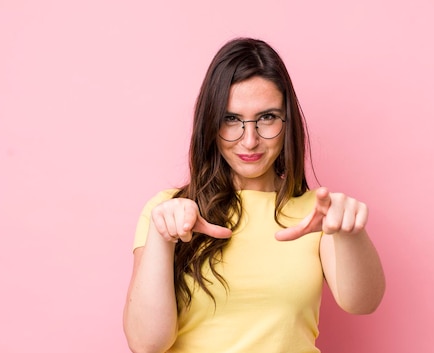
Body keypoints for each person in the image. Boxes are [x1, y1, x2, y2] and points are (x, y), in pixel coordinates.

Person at [123, 37, 385, 353]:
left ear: (287, 122)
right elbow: (145, 343)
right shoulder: (169, 211)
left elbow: (363, 303)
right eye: (231, 119)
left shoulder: (316, 214)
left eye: (267, 118)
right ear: (210, 123)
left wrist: (350, 233)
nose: (250, 141)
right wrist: (162, 237)